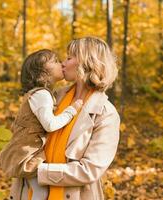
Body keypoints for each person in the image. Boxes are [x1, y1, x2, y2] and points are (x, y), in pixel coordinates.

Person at [8, 36, 121, 200]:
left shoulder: (106, 114)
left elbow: (89, 170)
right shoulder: (52, 97)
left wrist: (37, 170)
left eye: (68, 58)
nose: (63, 63)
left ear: (86, 62)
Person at [0, 49, 83, 200]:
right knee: (41, 192)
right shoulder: (42, 95)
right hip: (27, 153)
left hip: (26, 150)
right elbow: (50, 125)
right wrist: (71, 111)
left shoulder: (38, 93)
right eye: (56, 61)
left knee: (38, 190)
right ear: (43, 71)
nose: (62, 64)